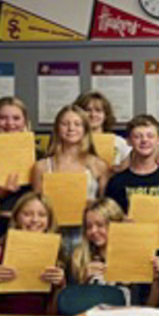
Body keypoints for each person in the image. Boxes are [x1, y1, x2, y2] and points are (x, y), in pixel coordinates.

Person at [105, 114, 159, 305]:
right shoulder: (117, 182)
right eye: (138, 136)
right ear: (129, 141)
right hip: (128, 253)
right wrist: (120, 221)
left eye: (149, 135)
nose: (144, 140)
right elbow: (108, 216)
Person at [0, 191, 67, 316]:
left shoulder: (55, 257)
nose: (35, 220)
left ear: (49, 221)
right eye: (27, 214)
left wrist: (60, 288)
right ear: (16, 218)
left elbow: (52, 314)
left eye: (42, 215)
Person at [30, 104, 109, 251]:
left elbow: (106, 206)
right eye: (65, 124)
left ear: (85, 129)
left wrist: (94, 204)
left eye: (77, 124)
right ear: (57, 129)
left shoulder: (99, 165)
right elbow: (37, 206)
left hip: (87, 235)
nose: (71, 128)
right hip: (53, 233)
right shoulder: (42, 166)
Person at [71, 198, 159, 306]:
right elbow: (69, 304)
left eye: (100, 225)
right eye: (89, 227)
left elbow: (151, 306)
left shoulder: (138, 257)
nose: (93, 231)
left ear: (116, 224)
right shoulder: (79, 258)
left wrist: (156, 280)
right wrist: (84, 281)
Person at [0, 96, 40, 248]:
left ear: (25, 122)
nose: (10, 124)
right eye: (3, 118)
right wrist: (1, 193)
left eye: (16, 118)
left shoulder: (39, 155)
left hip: (31, 226)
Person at [75, 91, 130, 170]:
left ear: (106, 115)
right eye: (88, 110)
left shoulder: (118, 143)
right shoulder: (70, 142)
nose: (93, 115)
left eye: (98, 110)